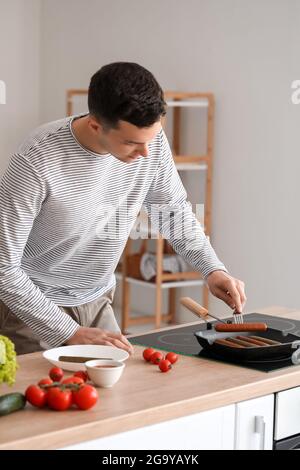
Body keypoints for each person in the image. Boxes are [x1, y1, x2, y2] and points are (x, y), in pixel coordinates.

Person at [0, 62, 246, 355]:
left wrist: (212, 268)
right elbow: (4, 267)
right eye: (131, 142)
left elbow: (173, 211)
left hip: (98, 299)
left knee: (120, 398)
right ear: (95, 125)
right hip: (30, 310)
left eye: (151, 139)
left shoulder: (148, 142)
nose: (145, 153)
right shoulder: (36, 161)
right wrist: (69, 332)